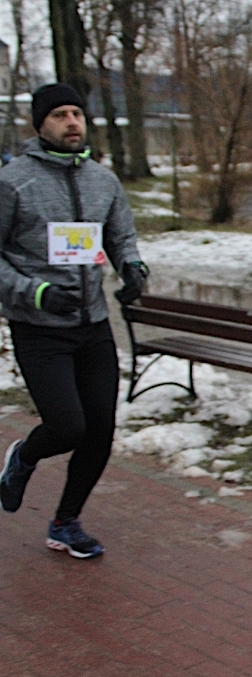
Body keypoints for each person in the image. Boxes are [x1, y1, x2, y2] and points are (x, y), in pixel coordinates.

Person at [0, 83, 148, 558]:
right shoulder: (13, 182)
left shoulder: (103, 181)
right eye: (60, 114)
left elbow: (120, 236)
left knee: (100, 431)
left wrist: (132, 268)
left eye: (77, 114)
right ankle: (23, 457)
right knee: (67, 427)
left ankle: (66, 522)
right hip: (39, 328)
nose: (71, 122)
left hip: (93, 325)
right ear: (40, 124)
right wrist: (37, 292)